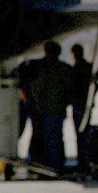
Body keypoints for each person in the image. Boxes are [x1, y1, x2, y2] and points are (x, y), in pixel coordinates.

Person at [27, 40, 72, 173]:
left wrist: (35, 104)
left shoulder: (43, 68)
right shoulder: (64, 68)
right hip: (57, 109)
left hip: (45, 110)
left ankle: (47, 167)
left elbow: (36, 88)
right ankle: (57, 165)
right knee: (56, 138)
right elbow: (70, 89)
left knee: (45, 138)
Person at [69, 43, 93, 172]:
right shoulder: (88, 67)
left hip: (79, 106)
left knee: (81, 135)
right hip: (85, 105)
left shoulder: (77, 68)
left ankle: (83, 162)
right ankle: (85, 161)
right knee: (83, 134)